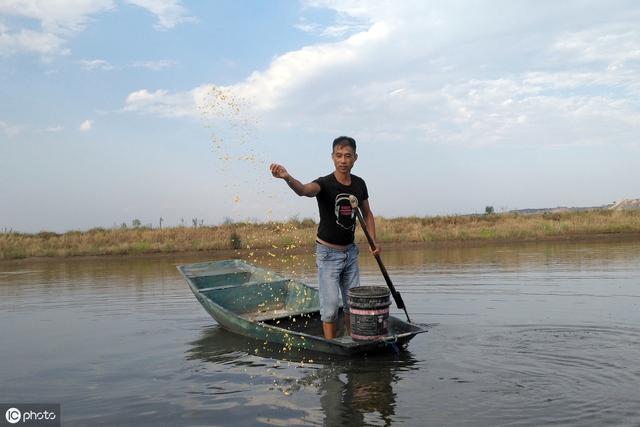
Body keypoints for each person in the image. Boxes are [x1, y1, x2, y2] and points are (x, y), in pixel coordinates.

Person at [270, 136, 380, 339]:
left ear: (355, 158)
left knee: (352, 305)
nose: (343, 160)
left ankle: (351, 340)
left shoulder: (359, 184)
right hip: (328, 254)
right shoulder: (325, 184)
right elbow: (303, 190)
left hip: (350, 252)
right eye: (339, 156)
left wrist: (373, 240)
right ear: (332, 157)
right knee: (329, 308)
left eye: (348, 156)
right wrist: (287, 177)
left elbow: (367, 213)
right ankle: (332, 348)